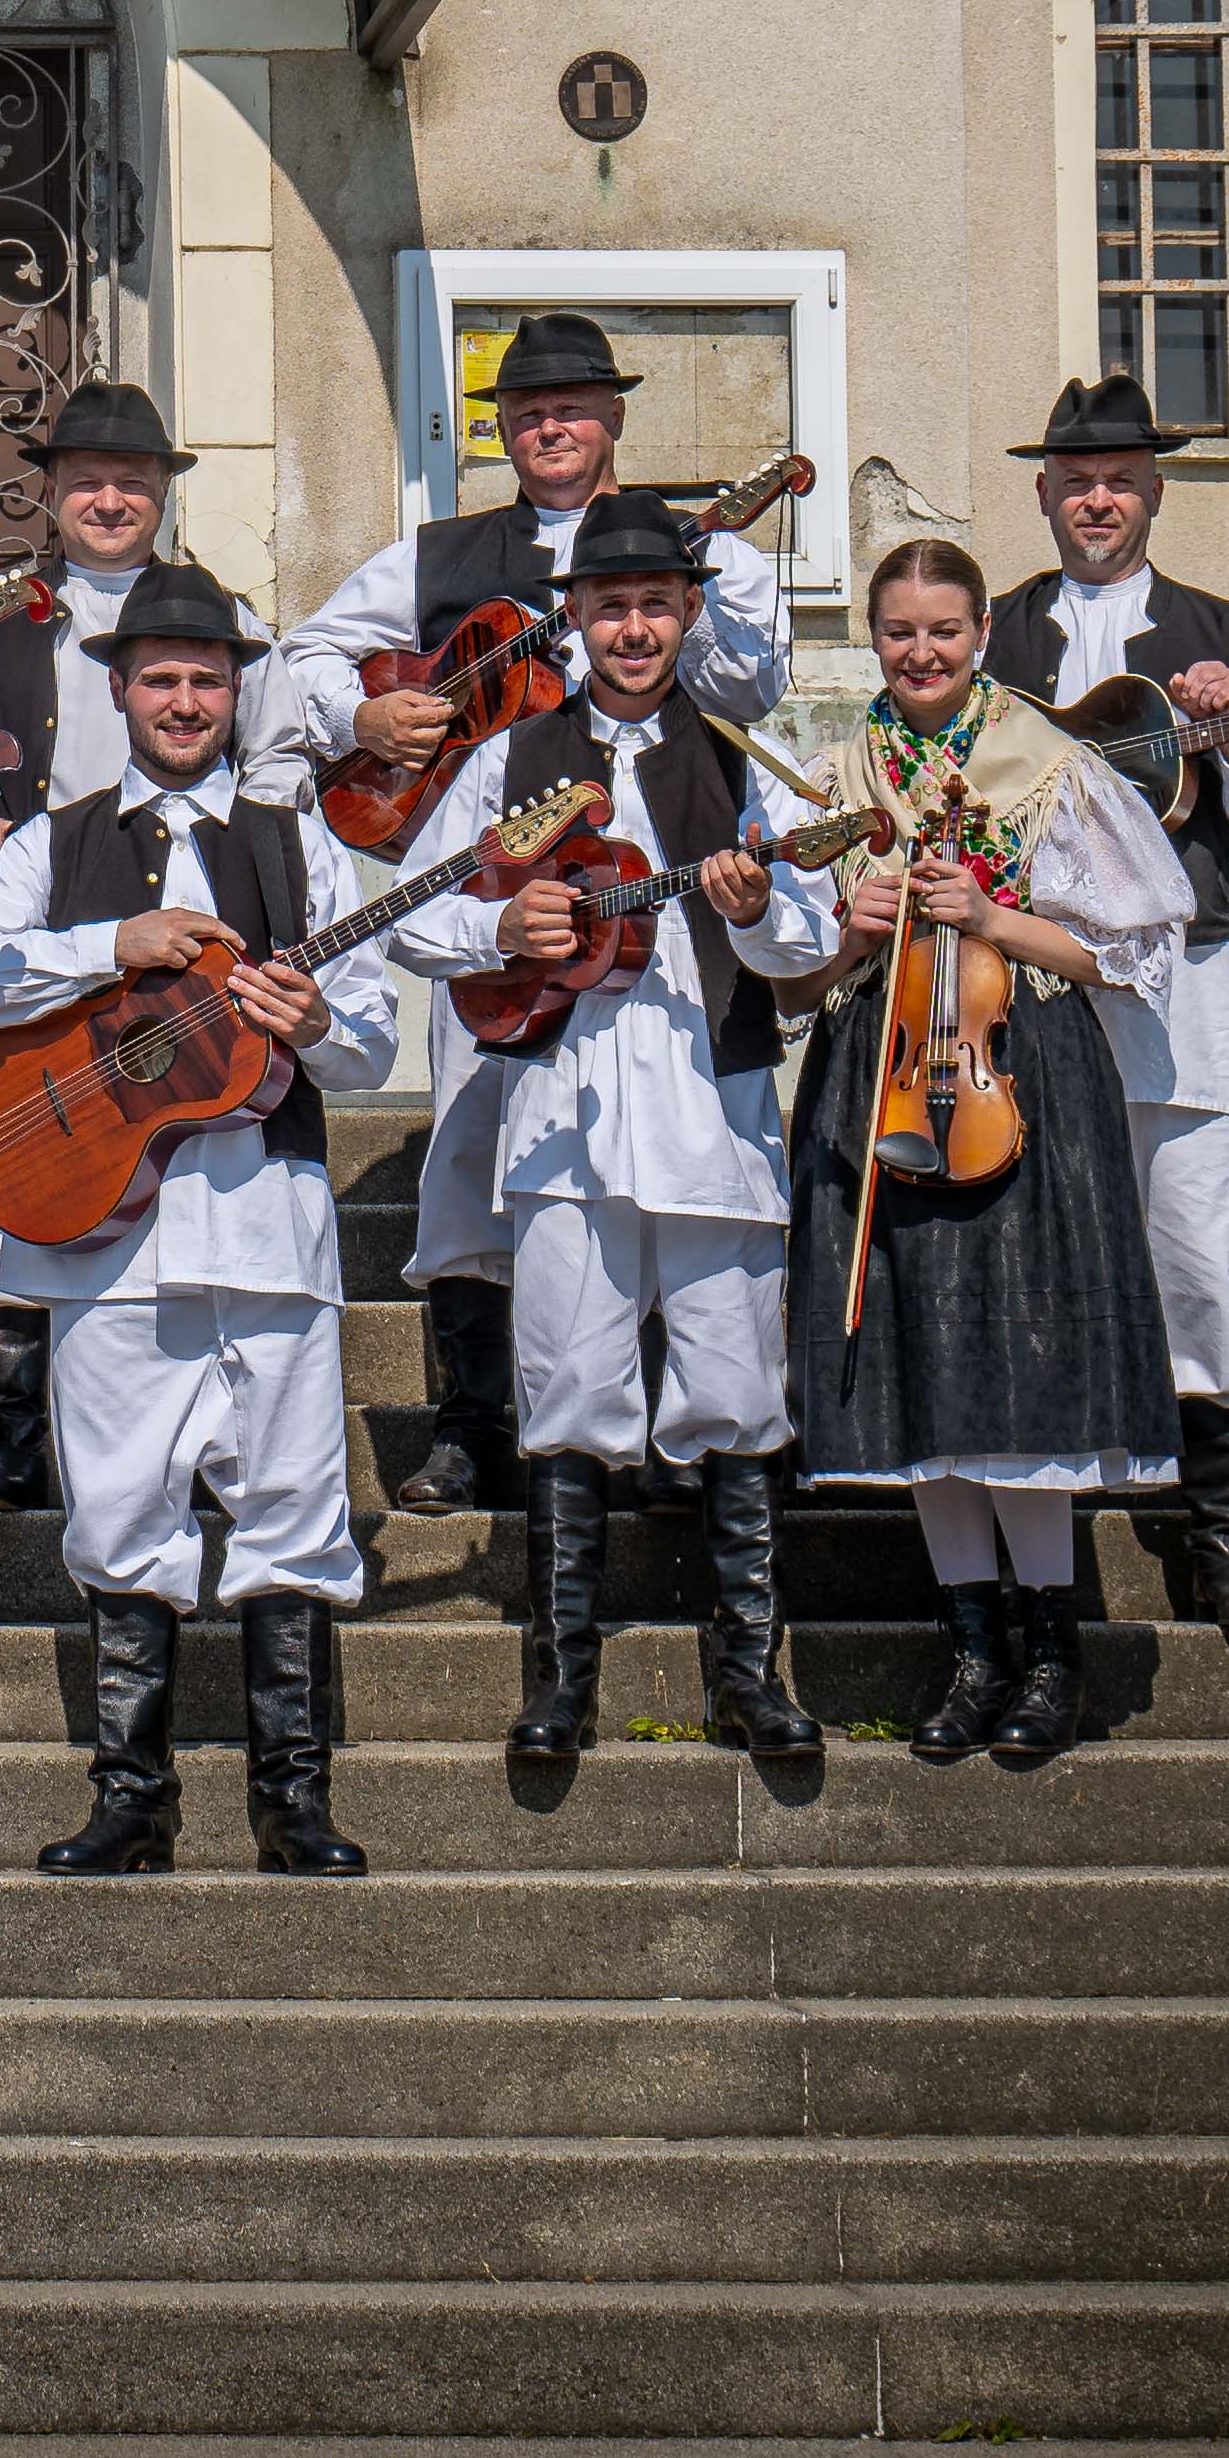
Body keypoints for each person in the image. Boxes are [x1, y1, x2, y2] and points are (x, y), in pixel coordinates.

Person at [260, 311, 791, 1521]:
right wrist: (364, 723)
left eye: (575, 407)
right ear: (499, 429)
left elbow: (756, 686)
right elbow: (298, 660)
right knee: (469, 1151)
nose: (551, 426)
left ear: (617, 419)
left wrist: (675, 600)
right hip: (496, 898)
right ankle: (468, 1423)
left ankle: (660, 1425)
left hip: (657, 896)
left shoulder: (696, 553)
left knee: (668, 1163)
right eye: (526, 411)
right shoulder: (442, 552)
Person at [0, 559, 386, 1878]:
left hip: (268, 1230)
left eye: (208, 680)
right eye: (162, 679)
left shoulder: (302, 845)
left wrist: (322, 1023)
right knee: (121, 1510)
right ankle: (133, 1795)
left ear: (239, 695)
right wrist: (105, 948)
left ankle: (293, 1798)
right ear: (118, 690)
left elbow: (372, 1045)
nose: (186, 701)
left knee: (292, 1507)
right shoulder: (53, 847)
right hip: (107, 1240)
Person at [380, 491, 841, 1762]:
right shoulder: (508, 758)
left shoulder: (752, 762)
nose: (632, 629)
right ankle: (562, 1677)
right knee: (573, 1388)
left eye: (653, 605)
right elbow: (415, 912)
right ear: (570, 618)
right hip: (561, 1126)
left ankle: (751, 1672)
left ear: (689, 614)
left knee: (737, 1391)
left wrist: (751, 912)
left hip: (712, 1117)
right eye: (608, 606)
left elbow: (811, 932)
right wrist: (500, 928)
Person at [785, 537, 1193, 1763]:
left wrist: (996, 914)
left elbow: (1136, 949)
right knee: (923, 1367)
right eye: (900, 631)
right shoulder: (829, 777)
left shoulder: (1051, 764)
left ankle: (1050, 1645)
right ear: (876, 636)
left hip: (1021, 1081)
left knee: (1021, 1363)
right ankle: (970, 1648)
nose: (922, 653)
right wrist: (850, 932)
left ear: (980, 638)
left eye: (945, 632)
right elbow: (788, 979)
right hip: (881, 1076)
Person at [978, 372, 1229, 1631]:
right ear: (1045, 495)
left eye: (1119, 480)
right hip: (1029, 980)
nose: (1098, 499)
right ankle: (1045, 1539)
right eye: (1076, 482)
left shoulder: (1222, 630)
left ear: (1156, 491)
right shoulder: (996, 632)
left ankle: (1218, 1539)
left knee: (1203, 1244)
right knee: (1046, 1234)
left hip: (1192, 980)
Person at [0, 377, 225, 1518]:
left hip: (166, 930)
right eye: (87, 481)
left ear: (162, 495)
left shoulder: (208, 620)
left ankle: (171, 1421)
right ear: (50, 491)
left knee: (152, 1142)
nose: (108, 500)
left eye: (130, 483)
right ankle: (15, 1430)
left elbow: (269, 768)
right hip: (35, 924)